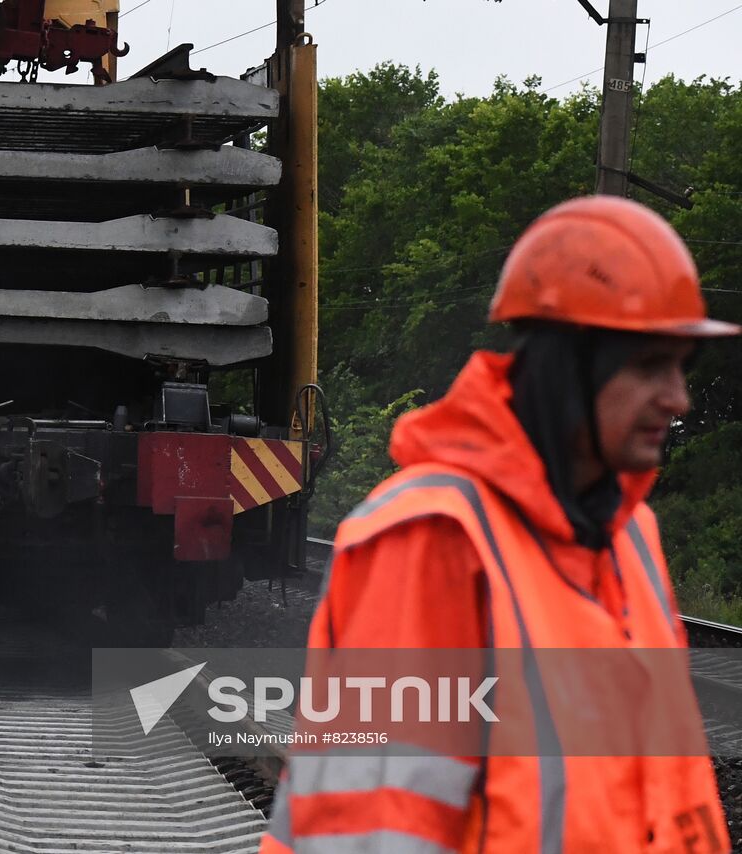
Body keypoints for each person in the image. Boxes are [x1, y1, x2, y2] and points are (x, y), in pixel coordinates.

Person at [260, 196, 735, 853]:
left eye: (683, 367)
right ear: (570, 370)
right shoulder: (433, 537)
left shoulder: (631, 535)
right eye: (651, 366)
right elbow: (375, 831)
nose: (678, 397)